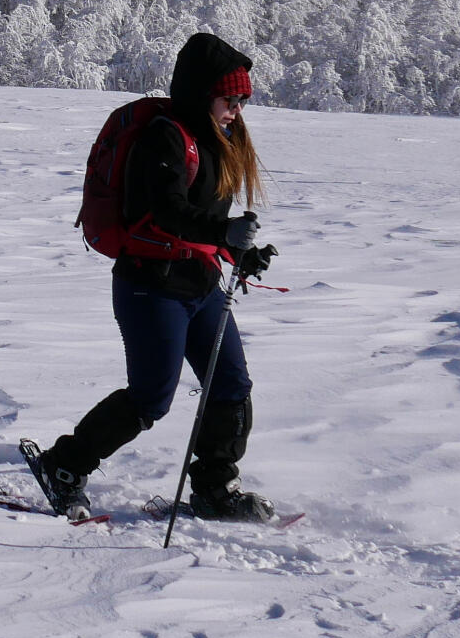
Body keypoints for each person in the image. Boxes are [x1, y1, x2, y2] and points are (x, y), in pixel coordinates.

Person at [29, 32, 278, 523]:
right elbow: (163, 212)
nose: (237, 111)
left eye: (243, 101)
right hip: (151, 285)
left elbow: (205, 220)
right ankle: (63, 465)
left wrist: (239, 252)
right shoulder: (165, 137)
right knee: (151, 397)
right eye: (230, 100)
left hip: (200, 282)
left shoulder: (219, 141)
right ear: (203, 94)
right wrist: (222, 232)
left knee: (231, 384)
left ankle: (215, 487)